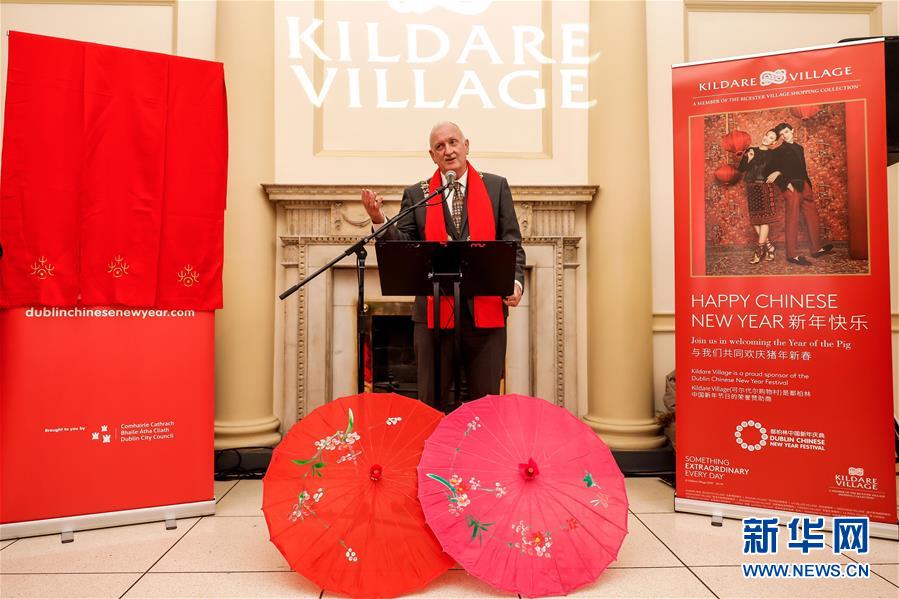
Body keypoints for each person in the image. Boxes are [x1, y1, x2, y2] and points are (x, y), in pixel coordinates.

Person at [360, 122, 525, 412]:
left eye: (453, 142)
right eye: (440, 146)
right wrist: (379, 220)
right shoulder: (417, 195)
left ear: (466, 145)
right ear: (432, 155)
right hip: (433, 317)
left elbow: (512, 242)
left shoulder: (495, 186)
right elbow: (403, 247)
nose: (448, 151)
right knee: (431, 406)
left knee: (485, 408)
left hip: (484, 316)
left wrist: (515, 282)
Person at [765, 122, 833, 266]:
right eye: (781, 134)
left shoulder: (799, 148)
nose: (784, 136)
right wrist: (785, 183)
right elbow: (767, 171)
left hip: (805, 186)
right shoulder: (778, 151)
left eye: (786, 132)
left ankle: (816, 249)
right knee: (793, 219)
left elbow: (799, 168)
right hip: (791, 188)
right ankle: (792, 255)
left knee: (812, 217)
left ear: (792, 130)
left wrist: (809, 185)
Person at [737, 129, 780, 264]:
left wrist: (778, 172)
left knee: (764, 220)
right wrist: (749, 158)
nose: (767, 138)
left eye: (771, 137)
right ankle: (769, 247)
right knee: (755, 220)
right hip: (751, 187)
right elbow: (741, 169)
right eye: (767, 135)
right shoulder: (751, 150)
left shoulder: (774, 154)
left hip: (765, 188)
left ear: (774, 142)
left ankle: (759, 250)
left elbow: (782, 167)